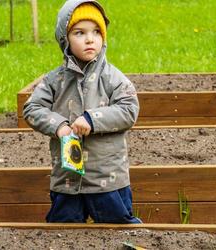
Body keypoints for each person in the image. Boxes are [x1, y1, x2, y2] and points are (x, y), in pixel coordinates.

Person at [23, 0, 142, 224]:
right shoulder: (54, 80)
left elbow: (128, 109)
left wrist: (92, 118)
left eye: (96, 32)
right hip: (67, 179)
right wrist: (58, 126)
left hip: (107, 178)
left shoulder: (113, 78)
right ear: (65, 39)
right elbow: (31, 108)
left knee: (118, 226)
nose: (90, 39)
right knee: (62, 229)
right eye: (79, 32)